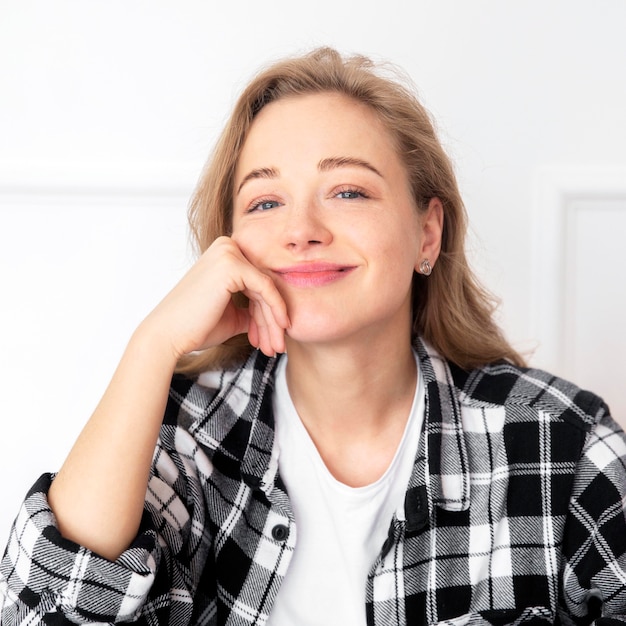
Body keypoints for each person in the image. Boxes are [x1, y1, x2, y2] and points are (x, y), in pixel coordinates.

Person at [1, 46, 625, 626]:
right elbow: (40, 611)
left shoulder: (563, 444)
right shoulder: (184, 429)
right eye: (266, 202)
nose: (301, 230)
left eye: (348, 191)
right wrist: (152, 345)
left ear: (427, 235)